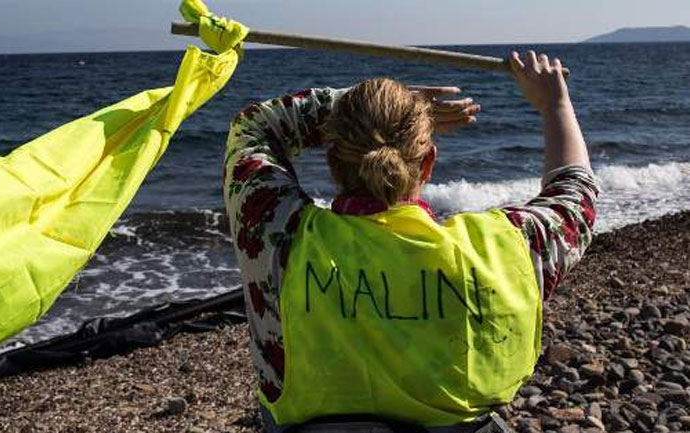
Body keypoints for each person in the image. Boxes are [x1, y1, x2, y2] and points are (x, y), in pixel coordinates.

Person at [223, 51, 598, 432]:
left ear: (331, 160)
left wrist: (349, 105)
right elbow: (575, 196)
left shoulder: (278, 236)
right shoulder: (506, 249)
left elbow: (253, 127)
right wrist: (555, 104)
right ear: (428, 162)